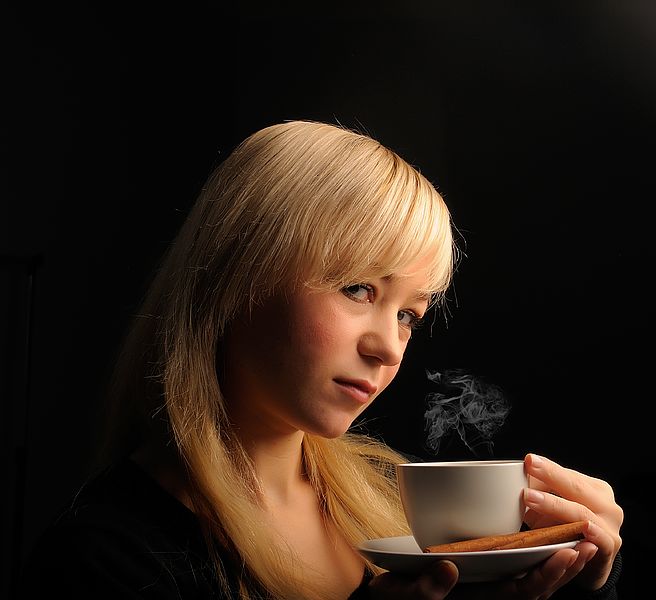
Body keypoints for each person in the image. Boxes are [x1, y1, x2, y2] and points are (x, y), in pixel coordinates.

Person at [19, 120, 623, 600]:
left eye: (408, 315)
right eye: (359, 289)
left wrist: (577, 582)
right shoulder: (107, 560)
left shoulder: (398, 506)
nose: (388, 348)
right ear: (238, 274)